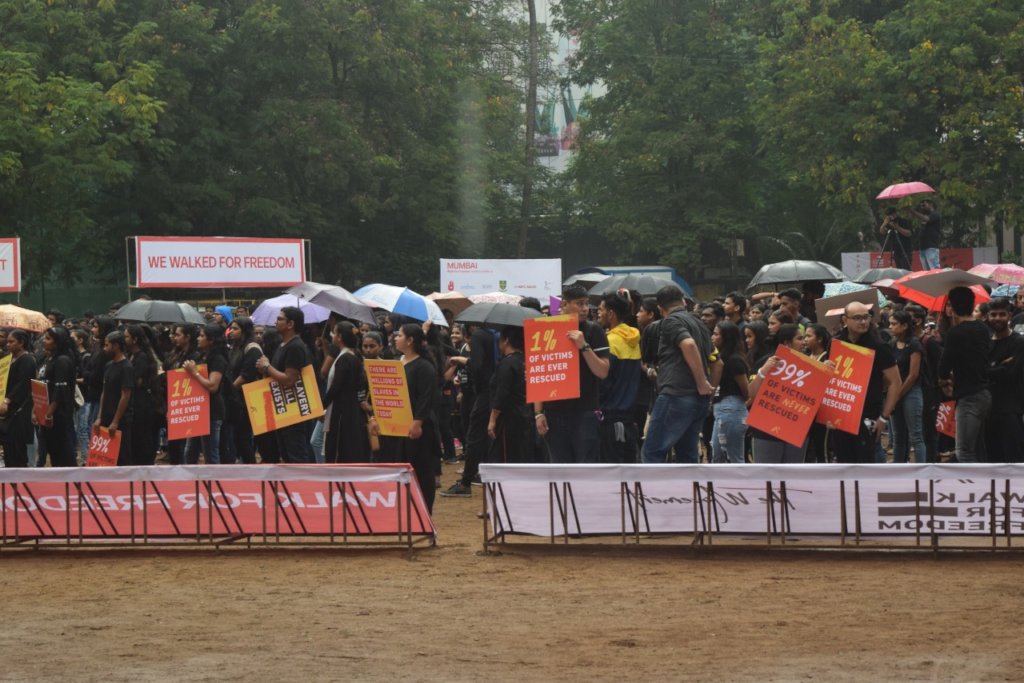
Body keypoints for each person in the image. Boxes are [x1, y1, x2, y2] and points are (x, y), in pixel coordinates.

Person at [534, 284, 610, 464]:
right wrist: (538, 413)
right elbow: (540, 373)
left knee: (586, 469)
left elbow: (602, 371)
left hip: (585, 411)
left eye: (586, 303)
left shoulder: (594, 330)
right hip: (553, 412)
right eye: (579, 303)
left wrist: (584, 346)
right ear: (564, 304)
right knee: (560, 469)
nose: (585, 308)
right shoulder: (548, 330)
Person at [641, 286, 715, 464]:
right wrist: (706, 387)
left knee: (652, 453)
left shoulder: (671, 321)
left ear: (660, 308)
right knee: (687, 457)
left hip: (676, 395)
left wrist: (701, 382)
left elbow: (688, 344)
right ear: (683, 301)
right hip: (698, 400)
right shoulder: (699, 324)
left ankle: (653, 486)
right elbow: (717, 361)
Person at [371, 324, 440, 512]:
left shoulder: (424, 367)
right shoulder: (395, 363)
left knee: (421, 470)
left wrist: (418, 423)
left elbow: (426, 398)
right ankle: (401, 511)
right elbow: (385, 394)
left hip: (418, 428)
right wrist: (377, 418)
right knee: (398, 468)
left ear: (410, 341)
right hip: (395, 428)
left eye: (399, 335)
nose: (395, 338)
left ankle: (424, 513)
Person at [831, 302, 902, 464]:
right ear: (845, 320)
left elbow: (895, 383)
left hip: (868, 414)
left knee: (867, 462)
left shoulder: (879, 346)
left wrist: (883, 418)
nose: (863, 322)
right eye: (857, 318)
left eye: (866, 317)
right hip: (841, 414)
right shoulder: (836, 343)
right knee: (843, 462)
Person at [938, 287, 992, 462]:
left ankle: (973, 481)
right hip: (985, 393)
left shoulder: (955, 333)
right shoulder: (983, 329)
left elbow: (943, 369)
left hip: (969, 397)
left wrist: (945, 381)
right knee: (978, 448)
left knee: (964, 452)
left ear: (952, 306)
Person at [256, 306, 315, 463]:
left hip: (294, 410)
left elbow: (290, 379)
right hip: (282, 408)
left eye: (280, 319)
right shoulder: (283, 345)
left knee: (296, 455)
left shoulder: (295, 346)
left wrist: (267, 367)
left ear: (290, 324)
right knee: (286, 454)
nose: (276, 322)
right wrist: (265, 368)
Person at [597, 291, 641, 464]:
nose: (598, 313)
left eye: (600, 309)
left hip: (610, 419)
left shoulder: (609, 342)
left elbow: (603, 381)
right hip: (629, 419)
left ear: (611, 313)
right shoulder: (634, 339)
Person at [322, 321, 371, 463]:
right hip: (348, 409)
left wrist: (322, 405)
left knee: (339, 450)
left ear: (340, 337)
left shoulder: (345, 358)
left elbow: (336, 387)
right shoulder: (352, 356)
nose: (332, 335)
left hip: (341, 412)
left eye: (334, 333)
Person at [985, 297, 1024, 463]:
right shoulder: (986, 343)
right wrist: (998, 367)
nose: (997, 318)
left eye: (1002, 314)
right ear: (988, 316)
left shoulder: (1019, 342)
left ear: (1009, 316)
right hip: (987, 409)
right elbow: (980, 373)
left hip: (1011, 409)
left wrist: (989, 370)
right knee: (992, 460)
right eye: (993, 314)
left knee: (1013, 459)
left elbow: (1011, 373)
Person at [487, 326, 534, 463]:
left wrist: (492, 419)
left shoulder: (507, 363)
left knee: (508, 456)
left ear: (506, 340)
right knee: (523, 454)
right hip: (526, 413)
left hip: (509, 418)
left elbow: (502, 393)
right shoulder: (526, 360)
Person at [183, 324, 229, 464]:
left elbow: (213, 386)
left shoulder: (218, 359)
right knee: (190, 450)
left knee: (210, 452)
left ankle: (214, 477)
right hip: (198, 408)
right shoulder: (202, 356)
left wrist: (194, 372)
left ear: (211, 340)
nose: (198, 338)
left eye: (202, 336)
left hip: (211, 411)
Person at [34, 327, 78, 467]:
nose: (44, 341)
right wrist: (37, 410)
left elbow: (60, 390)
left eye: (48, 339)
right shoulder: (50, 359)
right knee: (53, 451)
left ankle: (70, 476)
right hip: (47, 411)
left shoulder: (62, 361)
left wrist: (49, 413)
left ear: (57, 342)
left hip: (59, 414)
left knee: (63, 450)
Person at [888, 310, 927, 464]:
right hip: (895, 392)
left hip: (911, 392)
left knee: (916, 435)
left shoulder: (914, 344)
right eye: (890, 324)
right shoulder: (892, 343)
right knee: (898, 436)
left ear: (904, 326)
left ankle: (921, 469)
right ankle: (898, 468)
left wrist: (897, 394)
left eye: (894, 324)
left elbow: (913, 375)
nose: (890, 327)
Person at [710, 321, 748, 464]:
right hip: (721, 409)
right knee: (717, 457)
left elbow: (746, 391)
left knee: (734, 458)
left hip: (731, 409)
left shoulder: (734, 360)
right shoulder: (719, 358)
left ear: (727, 337)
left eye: (716, 334)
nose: (712, 337)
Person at [94, 331, 134, 466]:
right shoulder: (108, 365)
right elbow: (104, 392)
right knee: (105, 459)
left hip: (121, 420)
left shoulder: (127, 367)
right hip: (106, 417)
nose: (105, 349)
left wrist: (116, 421)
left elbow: (125, 395)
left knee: (121, 458)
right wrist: (99, 417)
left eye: (107, 345)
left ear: (116, 346)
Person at [124, 324, 162, 466]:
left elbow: (136, 381)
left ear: (134, 339)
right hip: (135, 402)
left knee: (142, 437)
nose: (124, 339)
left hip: (142, 403)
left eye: (126, 336)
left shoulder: (142, 358)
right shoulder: (131, 355)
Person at [0, 331, 38, 467]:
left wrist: (8, 400)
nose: (8, 344)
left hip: (20, 409)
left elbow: (23, 384)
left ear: (21, 343)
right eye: (8, 342)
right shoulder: (9, 358)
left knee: (18, 449)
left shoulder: (28, 360)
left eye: (12, 342)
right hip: (8, 411)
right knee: (9, 447)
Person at [228, 316, 262, 464]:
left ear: (245, 331)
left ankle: (250, 467)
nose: (231, 331)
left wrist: (229, 390)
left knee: (244, 439)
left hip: (247, 401)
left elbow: (246, 375)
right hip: (236, 400)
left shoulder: (252, 348)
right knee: (237, 438)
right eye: (231, 328)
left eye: (235, 329)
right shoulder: (236, 347)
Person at [164, 324, 199, 465]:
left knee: (185, 446)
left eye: (178, 335)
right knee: (174, 444)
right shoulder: (177, 353)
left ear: (188, 337)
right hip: (174, 401)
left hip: (187, 404)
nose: (174, 337)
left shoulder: (194, 356)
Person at [913, 199, 942, 270]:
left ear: (931, 204)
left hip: (931, 247)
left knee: (934, 270)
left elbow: (927, 219)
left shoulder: (935, 214)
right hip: (923, 247)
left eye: (924, 204)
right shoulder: (925, 216)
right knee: (926, 272)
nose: (922, 207)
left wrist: (912, 211)